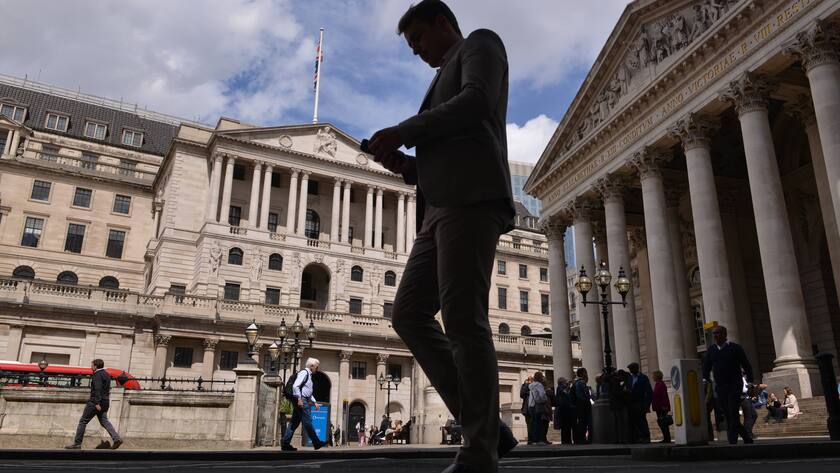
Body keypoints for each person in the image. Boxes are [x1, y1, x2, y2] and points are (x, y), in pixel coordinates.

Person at [369, 1, 517, 471]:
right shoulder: (437, 80)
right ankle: (489, 427)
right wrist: (408, 166)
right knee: (409, 314)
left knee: (462, 318)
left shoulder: (482, 44)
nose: (417, 52)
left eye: (418, 40)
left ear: (441, 22)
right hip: (437, 207)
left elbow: (475, 103)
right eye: (411, 46)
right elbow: (441, 153)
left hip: (472, 199)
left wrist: (403, 131)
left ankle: (479, 448)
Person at [702, 325, 754, 444]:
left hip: (734, 385)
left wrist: (750, 381)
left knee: (733, 411)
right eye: (714, 333)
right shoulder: (712, 350)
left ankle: (732, 441)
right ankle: (746, 437)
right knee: (728, 413)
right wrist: (705, 379)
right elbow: (707, 366)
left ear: (725, 334)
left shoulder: (735, 348)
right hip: (720, 386)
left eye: (718, 333)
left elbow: (746, 365)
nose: (715, 336)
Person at [65, 359, 122, 450]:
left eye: (92, 365)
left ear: (95, 366)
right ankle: (116, 439)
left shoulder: (97, 375)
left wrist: (96, 402)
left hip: (96, 402)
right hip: (105, 401)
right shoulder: (107, 374)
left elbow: (97, 389)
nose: (91, 367)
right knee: (104, 421)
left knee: (83, 421)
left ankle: (77, 443)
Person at [281, 358, 327, 451]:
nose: (317, 369)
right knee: (308, 421)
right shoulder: (304, 373)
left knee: (294, 423)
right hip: (302, 400)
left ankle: (285, 444)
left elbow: (308, 392)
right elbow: (295, 386)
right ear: (312, 366)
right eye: (316, 367)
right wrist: (299, 399)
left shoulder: (308, 375)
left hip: (303, 399)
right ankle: (316, 442)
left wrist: (314, 402)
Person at [627, 362, 653, 443]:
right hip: (632, 403)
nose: (630, 371)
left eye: (631, 369)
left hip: (640, 403)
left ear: (636, 368)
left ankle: (646, 437)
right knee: (634, 421)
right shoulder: (630, 378)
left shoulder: (643, 378)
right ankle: (638, 437)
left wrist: (647, 404)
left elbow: (649, 392)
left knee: (642, 421)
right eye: (630, 369)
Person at [527, 371, 550, 445]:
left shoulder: (531, 385)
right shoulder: (539, 385)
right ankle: (538, 440)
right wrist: (544, 400)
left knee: (533, 423)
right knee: (538, 423)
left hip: (531, 406)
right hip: (538, 405)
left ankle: (534, 440)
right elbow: (542, 395)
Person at [572, 368, 592, 444]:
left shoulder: (576, 382)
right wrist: (587, 398)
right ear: (582, 373)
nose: (586, 374)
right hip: (583, 404)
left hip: (579, 404)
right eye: (585, 372)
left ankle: (580, 438)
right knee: (583, 422)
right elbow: (584, 394)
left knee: (581, 421)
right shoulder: (581, 382)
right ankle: (582, 439)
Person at [651, 370, 671, 443]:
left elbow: (664, 396)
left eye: (653, 375)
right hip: (658, 407)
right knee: (661, 423)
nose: (652, 377)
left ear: (657, 376)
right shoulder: (658, 384)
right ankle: (666, 438)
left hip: (661, 407)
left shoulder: (661, 384)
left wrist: (665, 406)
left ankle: (667, 438)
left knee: (663, 423)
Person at [554, 377, 575, 445]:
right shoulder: (560, 387)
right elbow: (565, 393)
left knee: (566, 426)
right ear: (562, 382)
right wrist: (568, 384)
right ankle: (566, 440)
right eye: (565, 381)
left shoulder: (561, 388)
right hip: (564, 410)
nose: (566, 382)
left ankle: (566, 440)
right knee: (566, 426)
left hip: (564, 409)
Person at [519, 376, 532, 444]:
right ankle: (530, 440)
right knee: (529, 425)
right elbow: (522, 394)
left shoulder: (534, 386)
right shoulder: (525, 386)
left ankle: (534, 439)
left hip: (534, 408)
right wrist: (526, 384)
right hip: (527, 409)